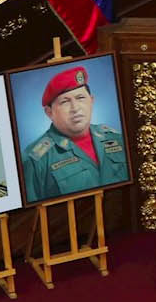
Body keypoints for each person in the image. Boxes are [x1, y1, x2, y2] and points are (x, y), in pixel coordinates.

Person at [21, 65, 128, 202]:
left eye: (80, 98)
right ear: (49, 112)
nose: (75, 108)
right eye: (65, 102)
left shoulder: (117, 138)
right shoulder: (34, 160)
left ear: (92, 101)